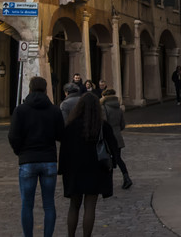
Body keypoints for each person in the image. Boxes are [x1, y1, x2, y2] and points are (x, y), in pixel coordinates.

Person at [8, 75, 66, 237]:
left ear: (30, 89)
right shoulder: (54, 110)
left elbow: (13, 136)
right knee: (49, 204)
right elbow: (61, 135)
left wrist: (19, 151)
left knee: (27, 204)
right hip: (48, 160)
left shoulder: (20, 110)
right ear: (46, 89)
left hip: (27, 160)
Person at [59, 92, 115, 237]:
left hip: (74, 169)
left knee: (74, 206)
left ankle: (70, 235)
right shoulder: (102, 126)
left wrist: (63, 170)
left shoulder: (70, 126)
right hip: (95, 169)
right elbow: (113, 147)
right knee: (90, 206)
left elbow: (64, 150)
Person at [100, 88, 131, 190]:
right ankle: (126, 177)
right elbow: (122, 124)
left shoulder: (103, 107)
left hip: (108, 137)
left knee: (107, 159)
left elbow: (103, 123)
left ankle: (107, 183)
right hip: (117, 136)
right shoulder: (119, 108)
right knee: (117, 158)